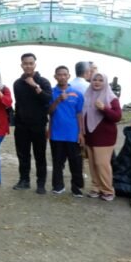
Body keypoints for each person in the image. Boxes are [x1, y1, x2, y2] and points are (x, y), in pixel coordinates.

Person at [12, 53, 53, 194]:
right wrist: (16, 121)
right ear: (21, 65)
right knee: (23, 155)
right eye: (25, 63)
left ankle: (41, 184)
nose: (28, 66)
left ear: (35, 64)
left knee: (40, 155)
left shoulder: (44, 82)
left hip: (38, 125)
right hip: (22, 126)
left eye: (31, 63)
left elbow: (48, 99)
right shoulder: (17, 84)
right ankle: (24, 180)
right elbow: (18, 104)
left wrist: (35, 86)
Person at [83, 73, 122, 201]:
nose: (97, 82)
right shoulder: (87, 95)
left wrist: (104, 108)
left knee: (102, 164)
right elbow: (83, 115)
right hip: (90, 135)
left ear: (105, 82)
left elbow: (117, 117)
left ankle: (107, 190)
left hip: (105, 137)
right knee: (92, 164)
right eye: (95, 79)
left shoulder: (111, 98)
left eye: (100, 80)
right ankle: (96, 187)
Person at [48, 65, 85, 197]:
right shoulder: (51, 93)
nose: (62, 77)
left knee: (76, 162)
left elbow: (79, 114)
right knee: (57, 162)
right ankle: (58, 186)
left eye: (65, 74)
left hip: (72, 134)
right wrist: (58, 100)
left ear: (69, 76)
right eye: (59, 74)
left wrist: (81, 133)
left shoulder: (77, 94)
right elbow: (49, 111)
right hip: (56, 134)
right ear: (55, 77)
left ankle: (77, 187)